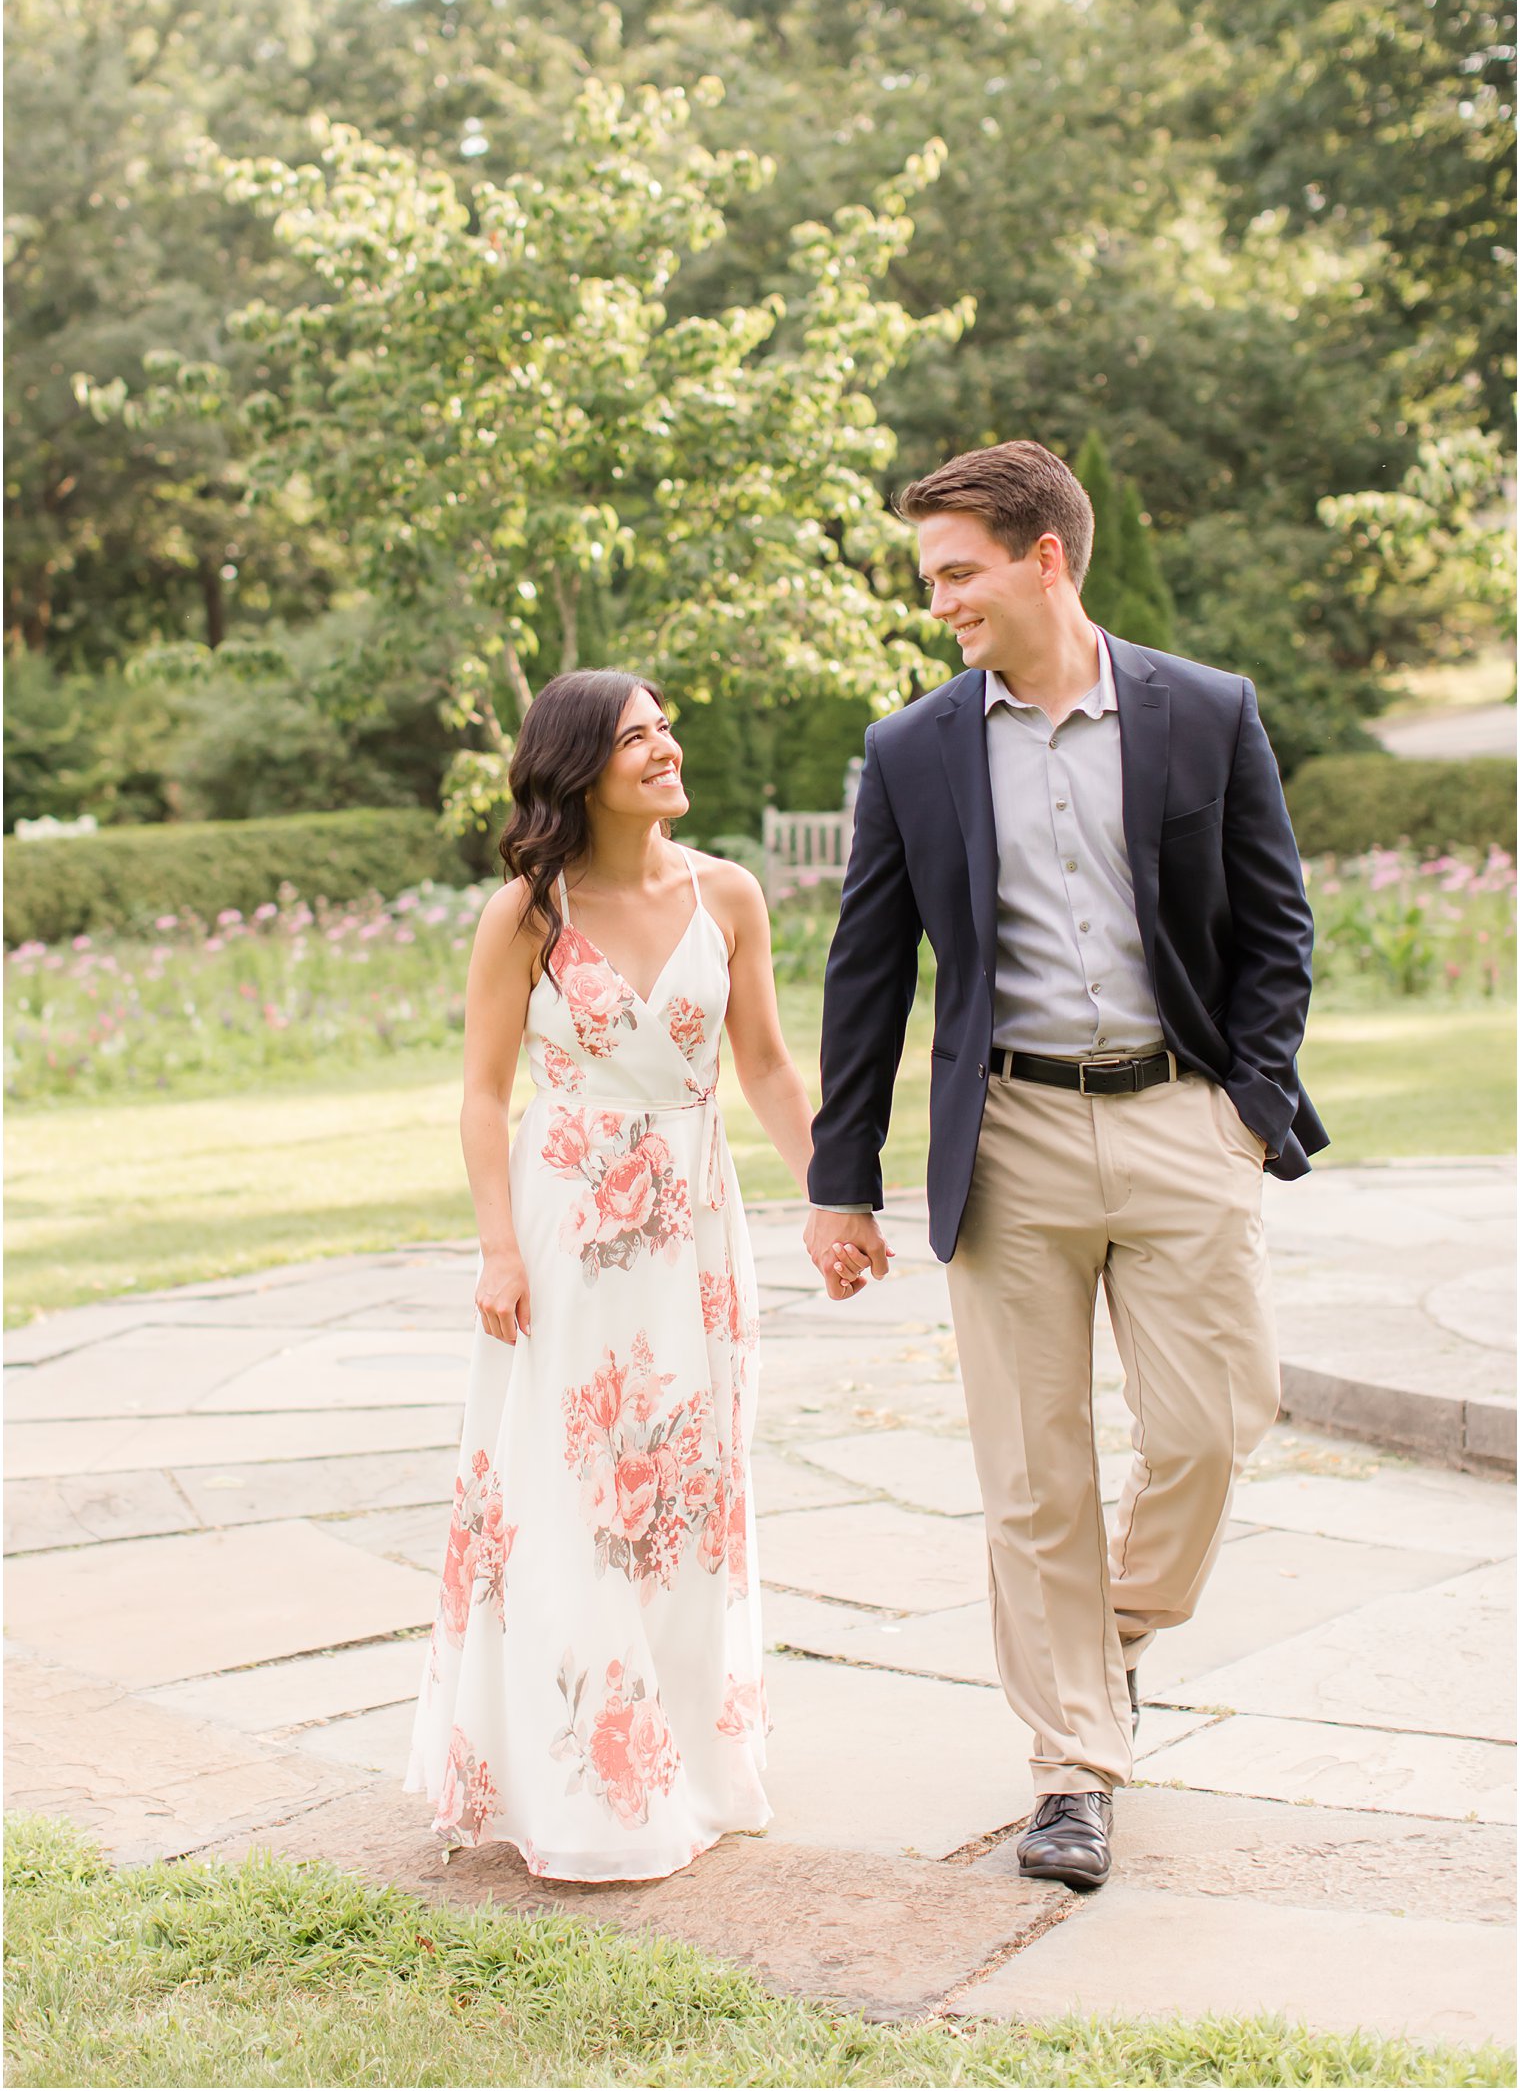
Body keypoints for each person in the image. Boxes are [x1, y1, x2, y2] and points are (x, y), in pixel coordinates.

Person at [803, 440, 1326, 1892]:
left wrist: (1249, 1102)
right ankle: (1073, 1768)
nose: (940, 602)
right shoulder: (913, 749)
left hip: (1181, 1116)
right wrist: (840, 1179)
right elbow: (868, 974)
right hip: (1010, 1138)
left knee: (1220, 1419)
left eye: (958, 571)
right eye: (931, 579)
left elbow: (1278, 927)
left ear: (1047, 556)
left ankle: (1103, 1638)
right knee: (1033, 1477)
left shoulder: (1204, 712)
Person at [407, 669, 820, 1880]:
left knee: (687, 1490)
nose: (666, 749)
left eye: (665, 729)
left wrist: (829, 1198)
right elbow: (484, 1095)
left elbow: (769, 1071)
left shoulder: (728, 896)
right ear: (581, 765)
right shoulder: (526, 913)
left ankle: (689, 1763)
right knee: (573, 1490)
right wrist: (496, 1246)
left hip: (693, 1227)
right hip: (564, 1225)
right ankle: (585, 1784)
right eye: (637, 736)